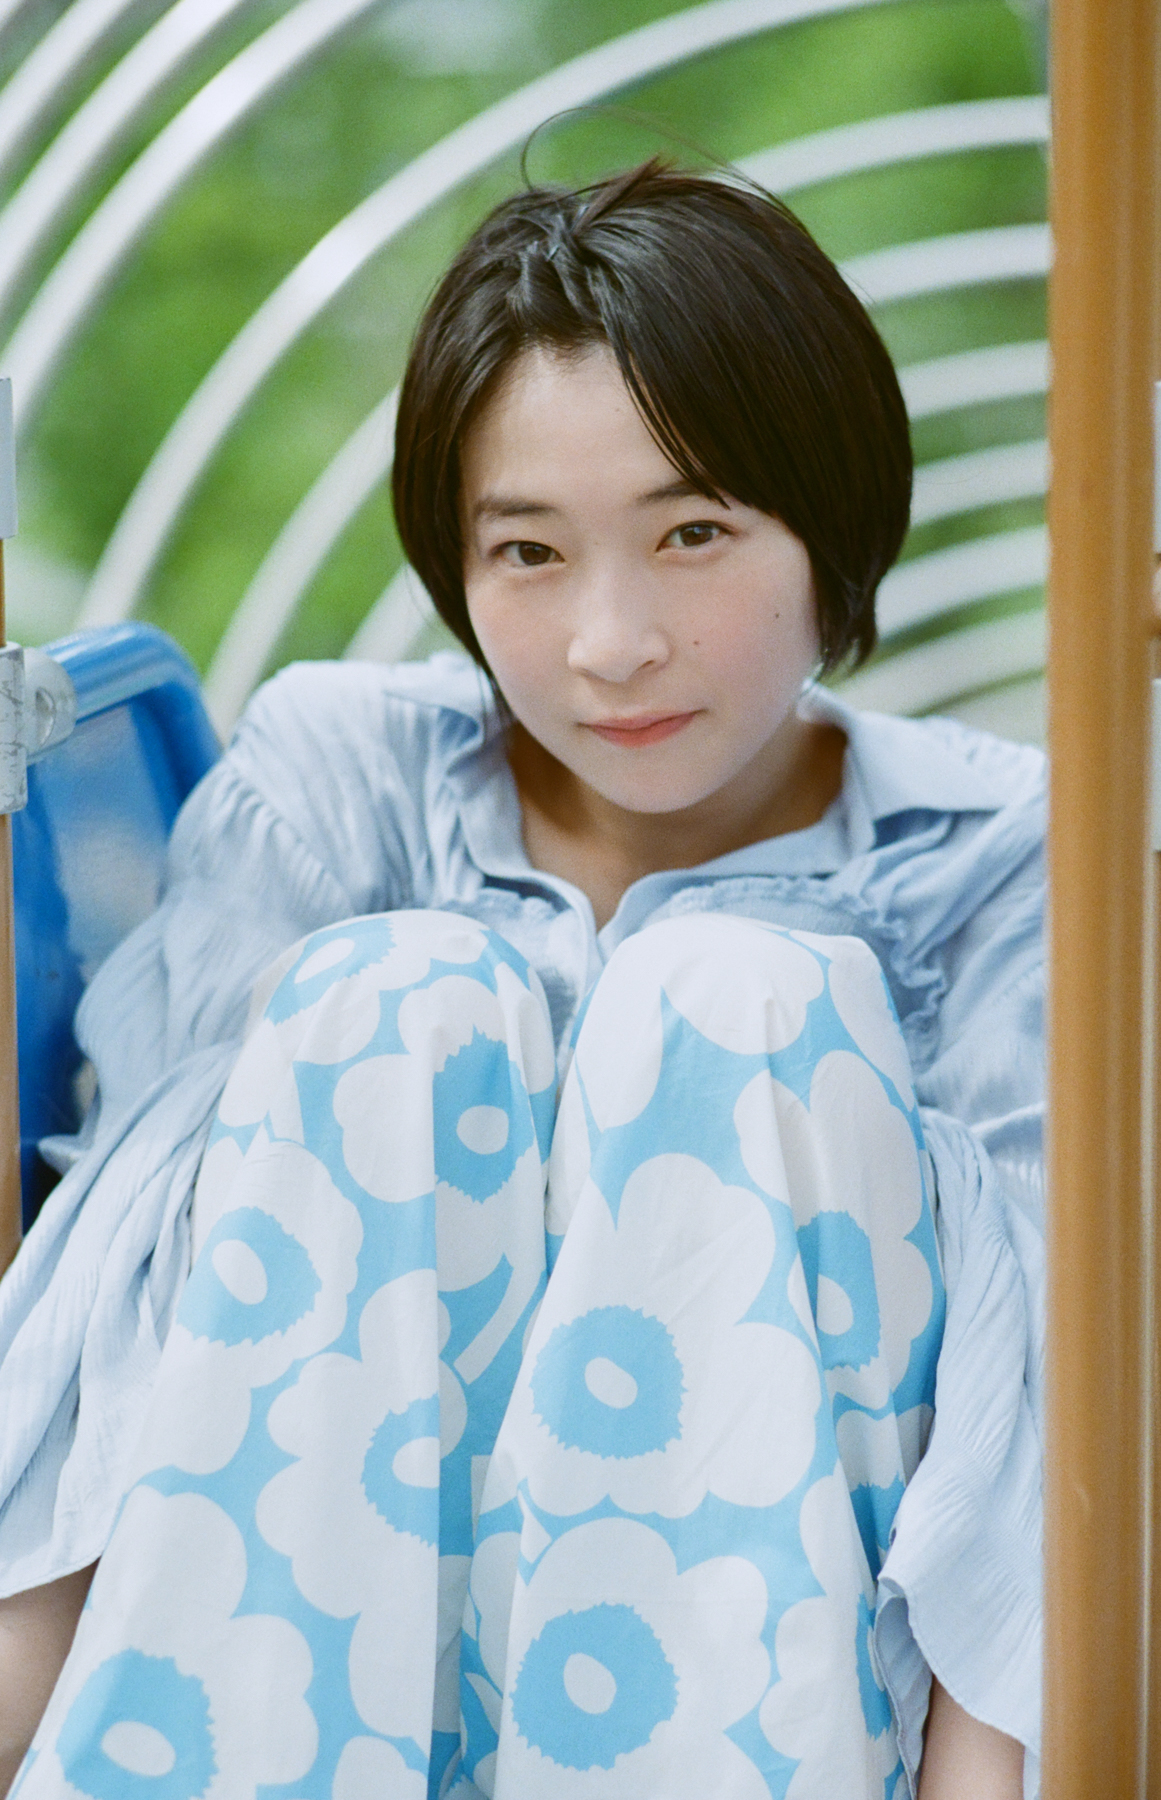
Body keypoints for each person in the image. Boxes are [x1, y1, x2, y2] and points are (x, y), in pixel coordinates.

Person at [0, 161, 1044, 1799]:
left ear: (829, 519)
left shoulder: (992, 854)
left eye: (692, 533)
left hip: (798, 1710)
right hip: (311, 1684)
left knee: (738, 999)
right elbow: (146, 1314)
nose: (609, 643)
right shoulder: (340, 783)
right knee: (395, 1001)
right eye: (528, 552)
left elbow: (1044, 1408)